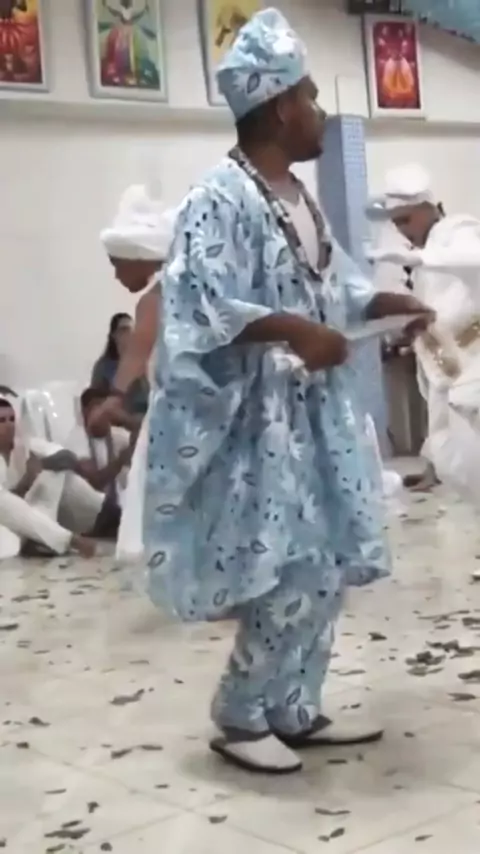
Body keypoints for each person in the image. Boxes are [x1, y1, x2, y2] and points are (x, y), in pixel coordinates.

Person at [140, 9, 433, 775]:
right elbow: (200, 305)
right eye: (310, 95)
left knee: (327, 563)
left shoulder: (297, 197)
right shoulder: (219, 199)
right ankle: (241, 716)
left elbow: (329, 288)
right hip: (260, 423)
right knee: (287, 568)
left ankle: (294, 705)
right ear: (278, 107)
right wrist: (296, 332)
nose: (321, 111)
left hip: (316, 416)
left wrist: (379, 302)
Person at [368, 163, 480, 503]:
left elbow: (472, 258)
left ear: (428, 208)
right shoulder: (428, 249)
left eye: (405, 220)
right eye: (396, 223)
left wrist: (423, 260)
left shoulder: (457, 231)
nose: (403, 232)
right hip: (446, 369)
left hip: (470, 368)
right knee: (451, 455)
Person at [91, 183, 177, 564]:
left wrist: (113, 398)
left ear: (137, 255)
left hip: (173, 415)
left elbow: (138, 352)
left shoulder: (155, 299)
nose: (115, 276)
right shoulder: (188, 287)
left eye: (116, 264)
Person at [0, 397, 95, 559]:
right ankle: (65, 539)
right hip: (10, 522)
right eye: (1, 421)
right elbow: (6, 506)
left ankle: (43, 539)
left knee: (51, 475)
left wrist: (42, 465)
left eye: (12, 419)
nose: (9, 425)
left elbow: (67, 457)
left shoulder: (26, 446)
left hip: (28, 519)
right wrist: (25, 483)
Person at [91, 312, 149, 417]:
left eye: (131, 330)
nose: (128, 334)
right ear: (114, 335)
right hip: (117, 417)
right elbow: (95, 401)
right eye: (124, 330)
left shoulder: (142, 362)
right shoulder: (103, 366)